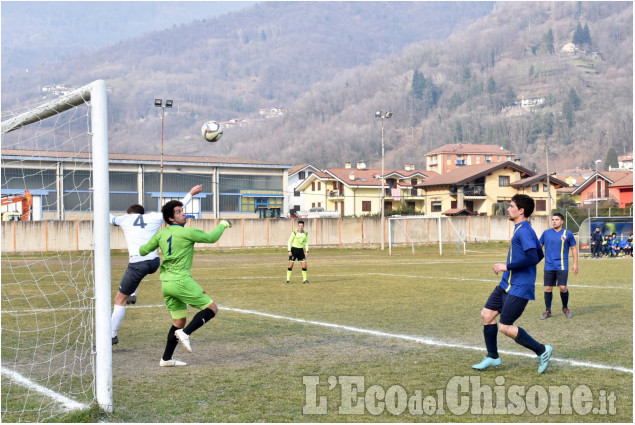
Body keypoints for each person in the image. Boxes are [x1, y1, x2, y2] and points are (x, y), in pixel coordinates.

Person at [139, 199, 232, 367]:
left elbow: (143, 250)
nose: (183, 213)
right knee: (212, 308)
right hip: (181, 281)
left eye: (182, 210)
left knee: (178, 322)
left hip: (166, 283)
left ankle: (166, 359)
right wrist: (223, 224)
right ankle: (186, 333)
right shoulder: (186, 232)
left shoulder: (161, 234)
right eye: (178, 211)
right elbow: (211, 238)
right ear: (171, 218)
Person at [109, 185, 202, 346]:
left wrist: (95, 199)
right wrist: (190, 193)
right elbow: (175, 209)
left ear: (130, 213)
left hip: (138, 263)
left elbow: (109, 218)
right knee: (133, 270)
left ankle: (111, 335)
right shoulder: (153, 217)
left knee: (119, 299)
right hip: (153, 262)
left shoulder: (125, 219)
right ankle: (133, 294)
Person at [472, 194, 553, 374]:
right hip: (506, 284)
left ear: (521, 210)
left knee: (505, 327)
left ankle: (542, 350)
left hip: (520, 287)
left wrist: (506, 266)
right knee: (487, 315)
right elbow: (539, 254)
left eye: (511, 206)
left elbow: (533, 256)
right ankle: (493, 357)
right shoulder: (523, 229)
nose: (508, 209)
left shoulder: (524, 230)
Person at [539, 213, 578, 319]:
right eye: (553, 219)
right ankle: (548, 310)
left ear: (562, 221)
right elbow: (539, 247)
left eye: (556, 219)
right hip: (549, 265)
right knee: (548, 288)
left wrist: (575, 264)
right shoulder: (546, 233)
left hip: (562, 265)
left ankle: (565, 307)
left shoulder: (568, 233)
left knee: (563, 287)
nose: (554, 221)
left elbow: (573, 248)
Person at [286, 220, 309, 284]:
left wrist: (307, 251)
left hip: (301, 250)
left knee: (304, 266)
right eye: (299, 226)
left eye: (302, 226)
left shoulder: (306, 234)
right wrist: (289, 250)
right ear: (298, 226)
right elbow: (289, 241)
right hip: (294, 250)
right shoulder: (294, 233)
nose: (300, 227)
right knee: (291, 265)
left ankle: (305, 280)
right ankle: (287, 280)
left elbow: (306, 243)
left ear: (303, 226)